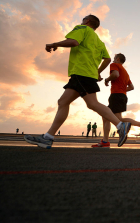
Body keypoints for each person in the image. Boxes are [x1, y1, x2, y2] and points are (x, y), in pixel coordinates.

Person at [24, 15, 131, 149]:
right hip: (87, 74)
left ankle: (121, 125)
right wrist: (97, 72)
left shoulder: (82, 28)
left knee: (92, 104)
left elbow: (74, 42)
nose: (82, 21)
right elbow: (108, 59)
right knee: (63, 102)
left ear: (87, 21)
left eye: (83, 19)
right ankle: (48, 137)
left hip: (81, 72)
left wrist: (55, 44)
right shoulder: (99, 41)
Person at [93, 53, 140, 148]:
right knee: (109, 117)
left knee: (111, 117)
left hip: (116, 95)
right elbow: (131, 87)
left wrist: (107, 79)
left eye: (114, 58)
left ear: (118, 59)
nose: (113, 60)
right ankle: (105, 141)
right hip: (122, 96)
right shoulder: (126, 73)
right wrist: (122, 90)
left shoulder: (114, 65)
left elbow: (115, 74)